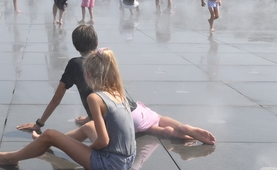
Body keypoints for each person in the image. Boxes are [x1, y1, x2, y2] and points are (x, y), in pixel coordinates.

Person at [17, 26, 216, 146]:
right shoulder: (104, 57)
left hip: (114, 125)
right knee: (158, 120)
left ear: (76, 46)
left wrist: (39, 124)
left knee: (159, 132)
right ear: (96, 42)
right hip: (133, 112)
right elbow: (103, 89)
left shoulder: (75, 64)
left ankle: (180, 135)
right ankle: (184, 127)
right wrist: (88, 116)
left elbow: (57, 98)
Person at [0, 48, 136, 170]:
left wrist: (87, 150)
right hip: (127, 161)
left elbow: (103, 141)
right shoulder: (118, 92)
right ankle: (51, 142)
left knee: (50, 134)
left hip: (110, 165)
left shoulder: (94, 98)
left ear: (88, 74)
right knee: (89, 126)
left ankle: (10, 158)